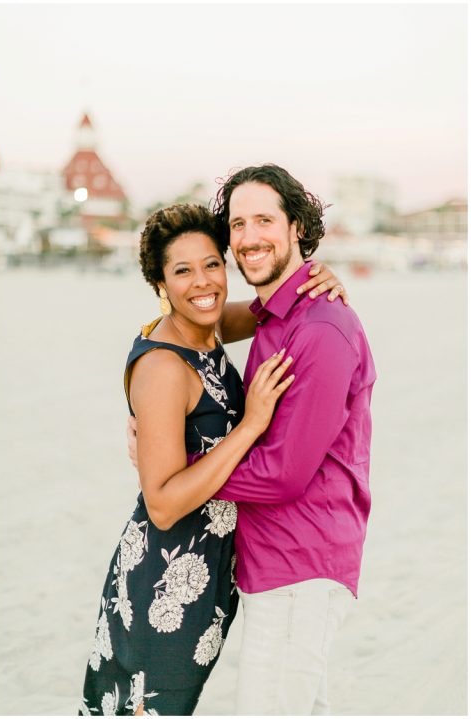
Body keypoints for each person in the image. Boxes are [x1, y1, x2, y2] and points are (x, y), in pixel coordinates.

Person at [79, 203, 348, 716]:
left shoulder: (205, 325)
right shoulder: (163, 365)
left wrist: (317, 276)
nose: (203, 282)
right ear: (160, 282)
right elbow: (161, 505)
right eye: (182, 271)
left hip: (208, 573)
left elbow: (274, 304)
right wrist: (251, 425)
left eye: (212, 264)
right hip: (166, 581)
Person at [128, 165, 376, 715]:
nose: (249, 236)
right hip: (274, 562)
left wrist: (179, 467)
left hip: (300, 563)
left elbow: (284, 473)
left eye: (265, 219)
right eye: (238, 224)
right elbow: (200, 321)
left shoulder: (318, 329)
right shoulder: (277, 313)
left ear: (297, 228)